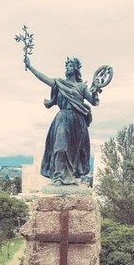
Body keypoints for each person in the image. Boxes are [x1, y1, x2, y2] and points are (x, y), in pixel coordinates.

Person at [24, 55, 100, 186]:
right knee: (60, 147)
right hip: (62, 118)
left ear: (76, 69)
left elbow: (93, 101)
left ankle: (71, 177)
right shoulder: (59, 83)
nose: (67, 68)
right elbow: (44, 79)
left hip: (77, 121)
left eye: (70, 65)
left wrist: (96, 90)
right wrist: (30, 67)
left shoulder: (81, 86)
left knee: (74, 151)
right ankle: (58, 176)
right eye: (66, 66)